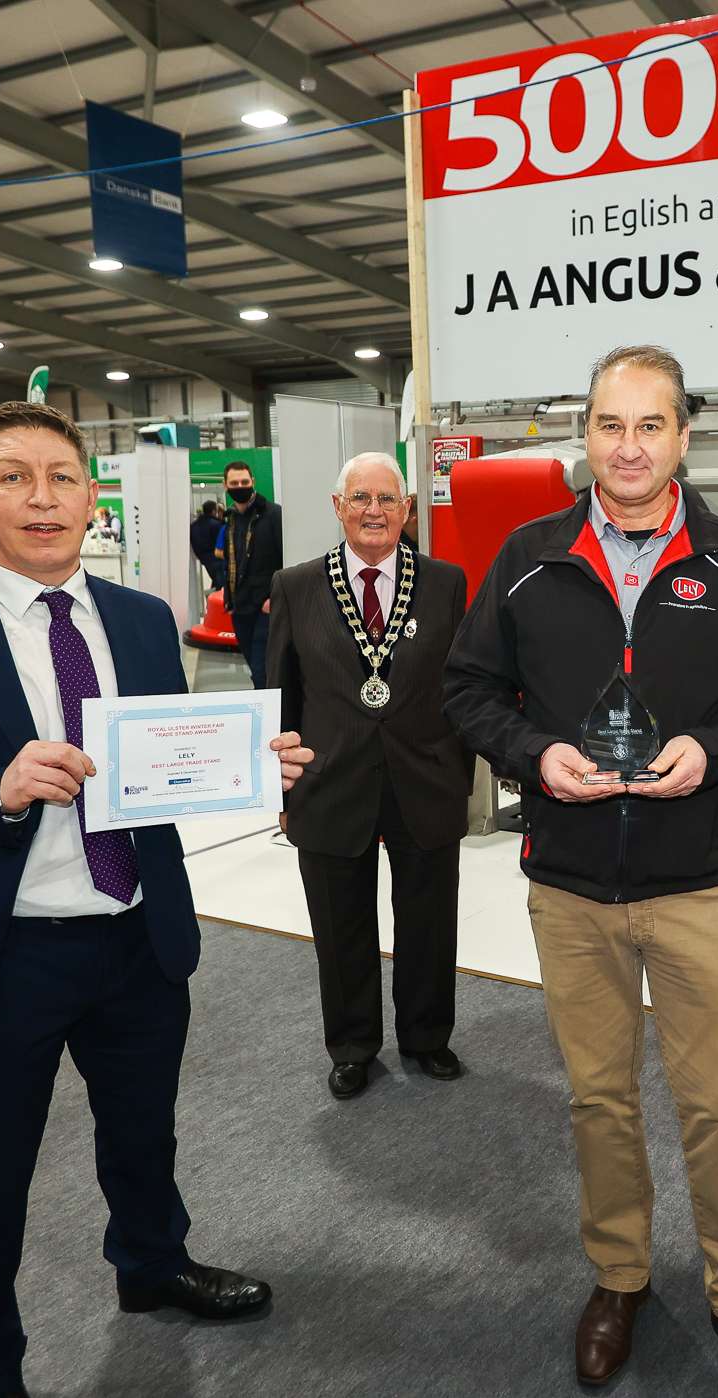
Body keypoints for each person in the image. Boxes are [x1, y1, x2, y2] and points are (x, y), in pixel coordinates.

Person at [0, 401, 315, 1398]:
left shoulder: (139, 619)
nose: (41, 498)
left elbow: (163, 762)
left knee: (143, 1132)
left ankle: (150, 1265)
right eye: (13, 477)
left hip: (138, 934)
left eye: (61, 477)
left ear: (92, 499)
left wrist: (247, 764)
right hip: (4, 954)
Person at [444, 345, 718, 1398]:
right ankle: (617, 1278)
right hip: (568, 888)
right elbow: (469, 691)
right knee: (598, 1101)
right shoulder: (527, 556)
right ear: (586, 436)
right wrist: (530, 756)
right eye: (610, 425)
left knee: (717, 1106)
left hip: (692, 882)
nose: (627, 446)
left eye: (649, 426)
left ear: (682, 438)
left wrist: (712, 751)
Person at [269, 452, 472, 1097]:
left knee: (429, 920)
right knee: (339, 923)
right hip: (329, 782)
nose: (374, 511)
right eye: (360, 498)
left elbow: (465, 687)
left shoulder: (445, 583)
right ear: (338, 507)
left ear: (408, 509)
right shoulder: (296, 586)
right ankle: (352, 1044)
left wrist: (463, 774)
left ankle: (426, 1036)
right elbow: (279, 694)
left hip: (426, 778)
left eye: (388, 499)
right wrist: (279, 787)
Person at [221, 461, 282, 685]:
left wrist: (274, 598)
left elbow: (286, 559)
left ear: (253, 482)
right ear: (225, 486)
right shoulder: (230, 519)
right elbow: (231, 560)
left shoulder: (273, 515)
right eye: (234, 483)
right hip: (240, 608)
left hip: (266, 608)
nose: (240, 486)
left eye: (244, 482)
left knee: (262, 671)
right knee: (254, 667)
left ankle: (272, 718)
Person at [190, 500, 227, 587]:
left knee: (218, 583)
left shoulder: (194, 526)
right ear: (214, 511)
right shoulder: (216, 524)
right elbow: (224, 540)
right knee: (222, 586)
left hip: (205, 559)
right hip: (218, 559)